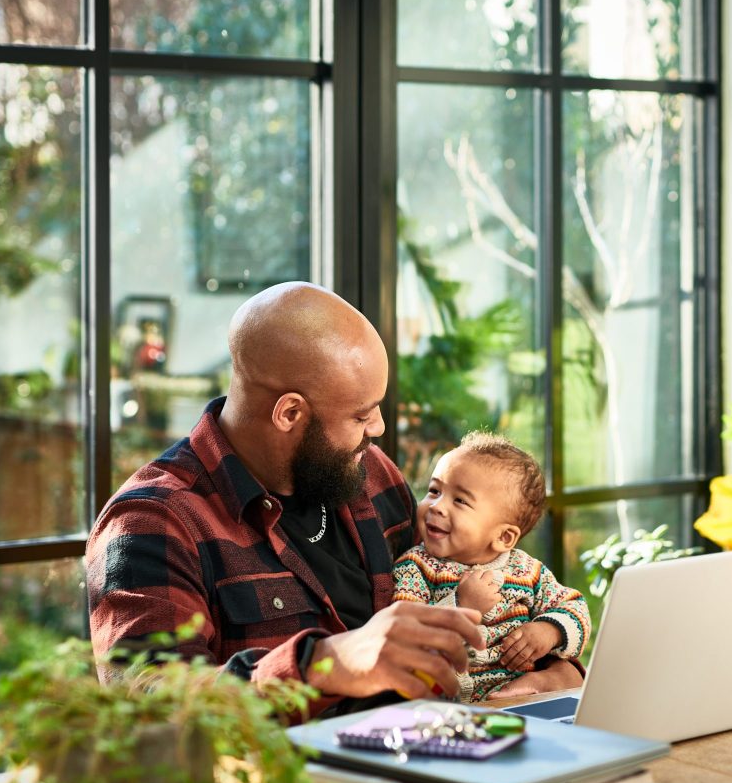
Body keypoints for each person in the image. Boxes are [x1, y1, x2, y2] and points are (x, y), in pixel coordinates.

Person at [86, 283, 584, 714]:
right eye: (361, 415)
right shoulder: (154, 521)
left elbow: (454, 602)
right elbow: (154, 706)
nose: (379, 429)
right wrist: (326, 665)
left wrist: (551, 673)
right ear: (289, 413)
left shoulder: (370, 476)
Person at [392, 432, 591, 702]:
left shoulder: (527, 571)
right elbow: (405, 634)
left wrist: (549, 630)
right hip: (448, 706)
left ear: (503, 538)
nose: (437, 507)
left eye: (460, 501)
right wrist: (462, 606)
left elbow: (575, 608)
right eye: (434, 491)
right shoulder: (415, 567)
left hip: (521, 699)